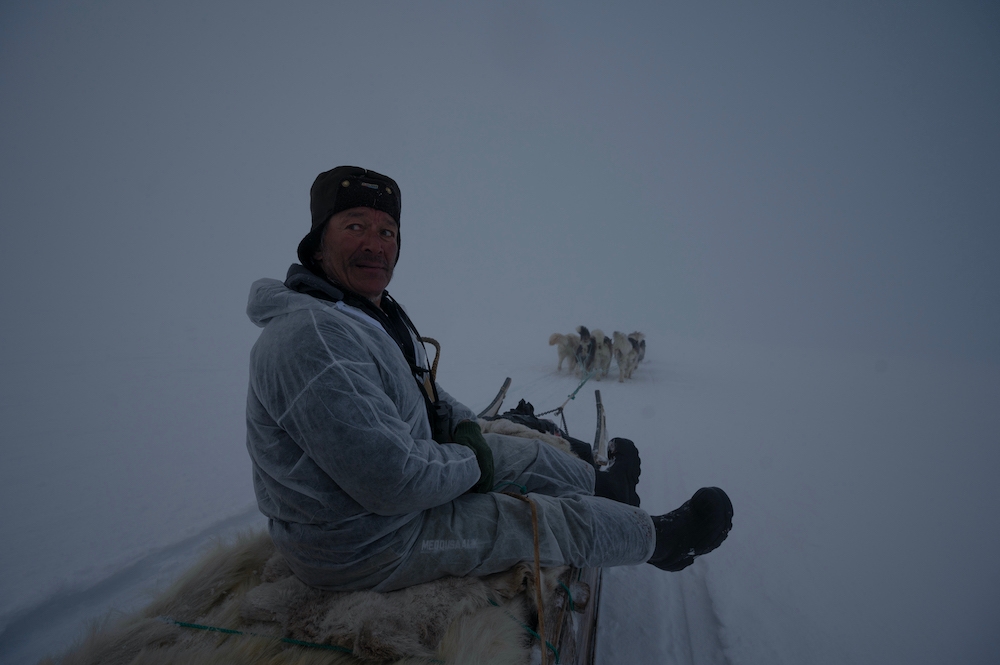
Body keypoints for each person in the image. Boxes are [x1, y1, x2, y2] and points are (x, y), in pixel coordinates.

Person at [245, 165, 733, 592]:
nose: (376, 244)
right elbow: (390, 482)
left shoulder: (361, 314)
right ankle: (662, 542)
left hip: (389, 505)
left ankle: (609, 491)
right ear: (317, 243)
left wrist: (464, 428)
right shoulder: (312, 338)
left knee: (523, 453)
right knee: (530, 520)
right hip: (368, 544)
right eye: (355, 226)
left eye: (388, 230)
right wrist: (473, 463)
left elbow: (424, 393)